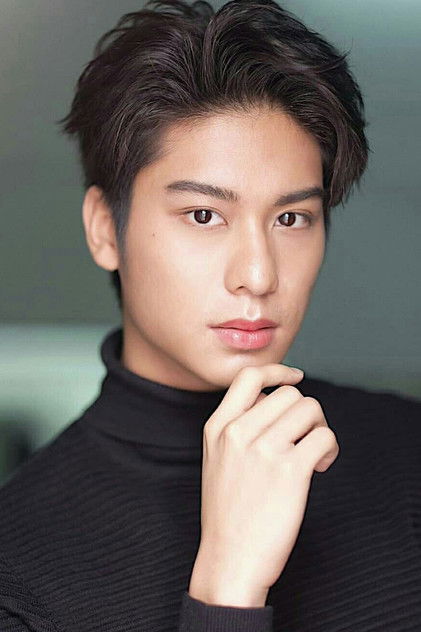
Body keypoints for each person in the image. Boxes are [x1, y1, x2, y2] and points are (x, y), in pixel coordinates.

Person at [0, 0, 420, 630]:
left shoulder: (407, 455)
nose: (258, 274)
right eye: (204, 216)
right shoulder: (18, 570)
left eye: (291, 218)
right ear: (104, 229)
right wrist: (227, 585)